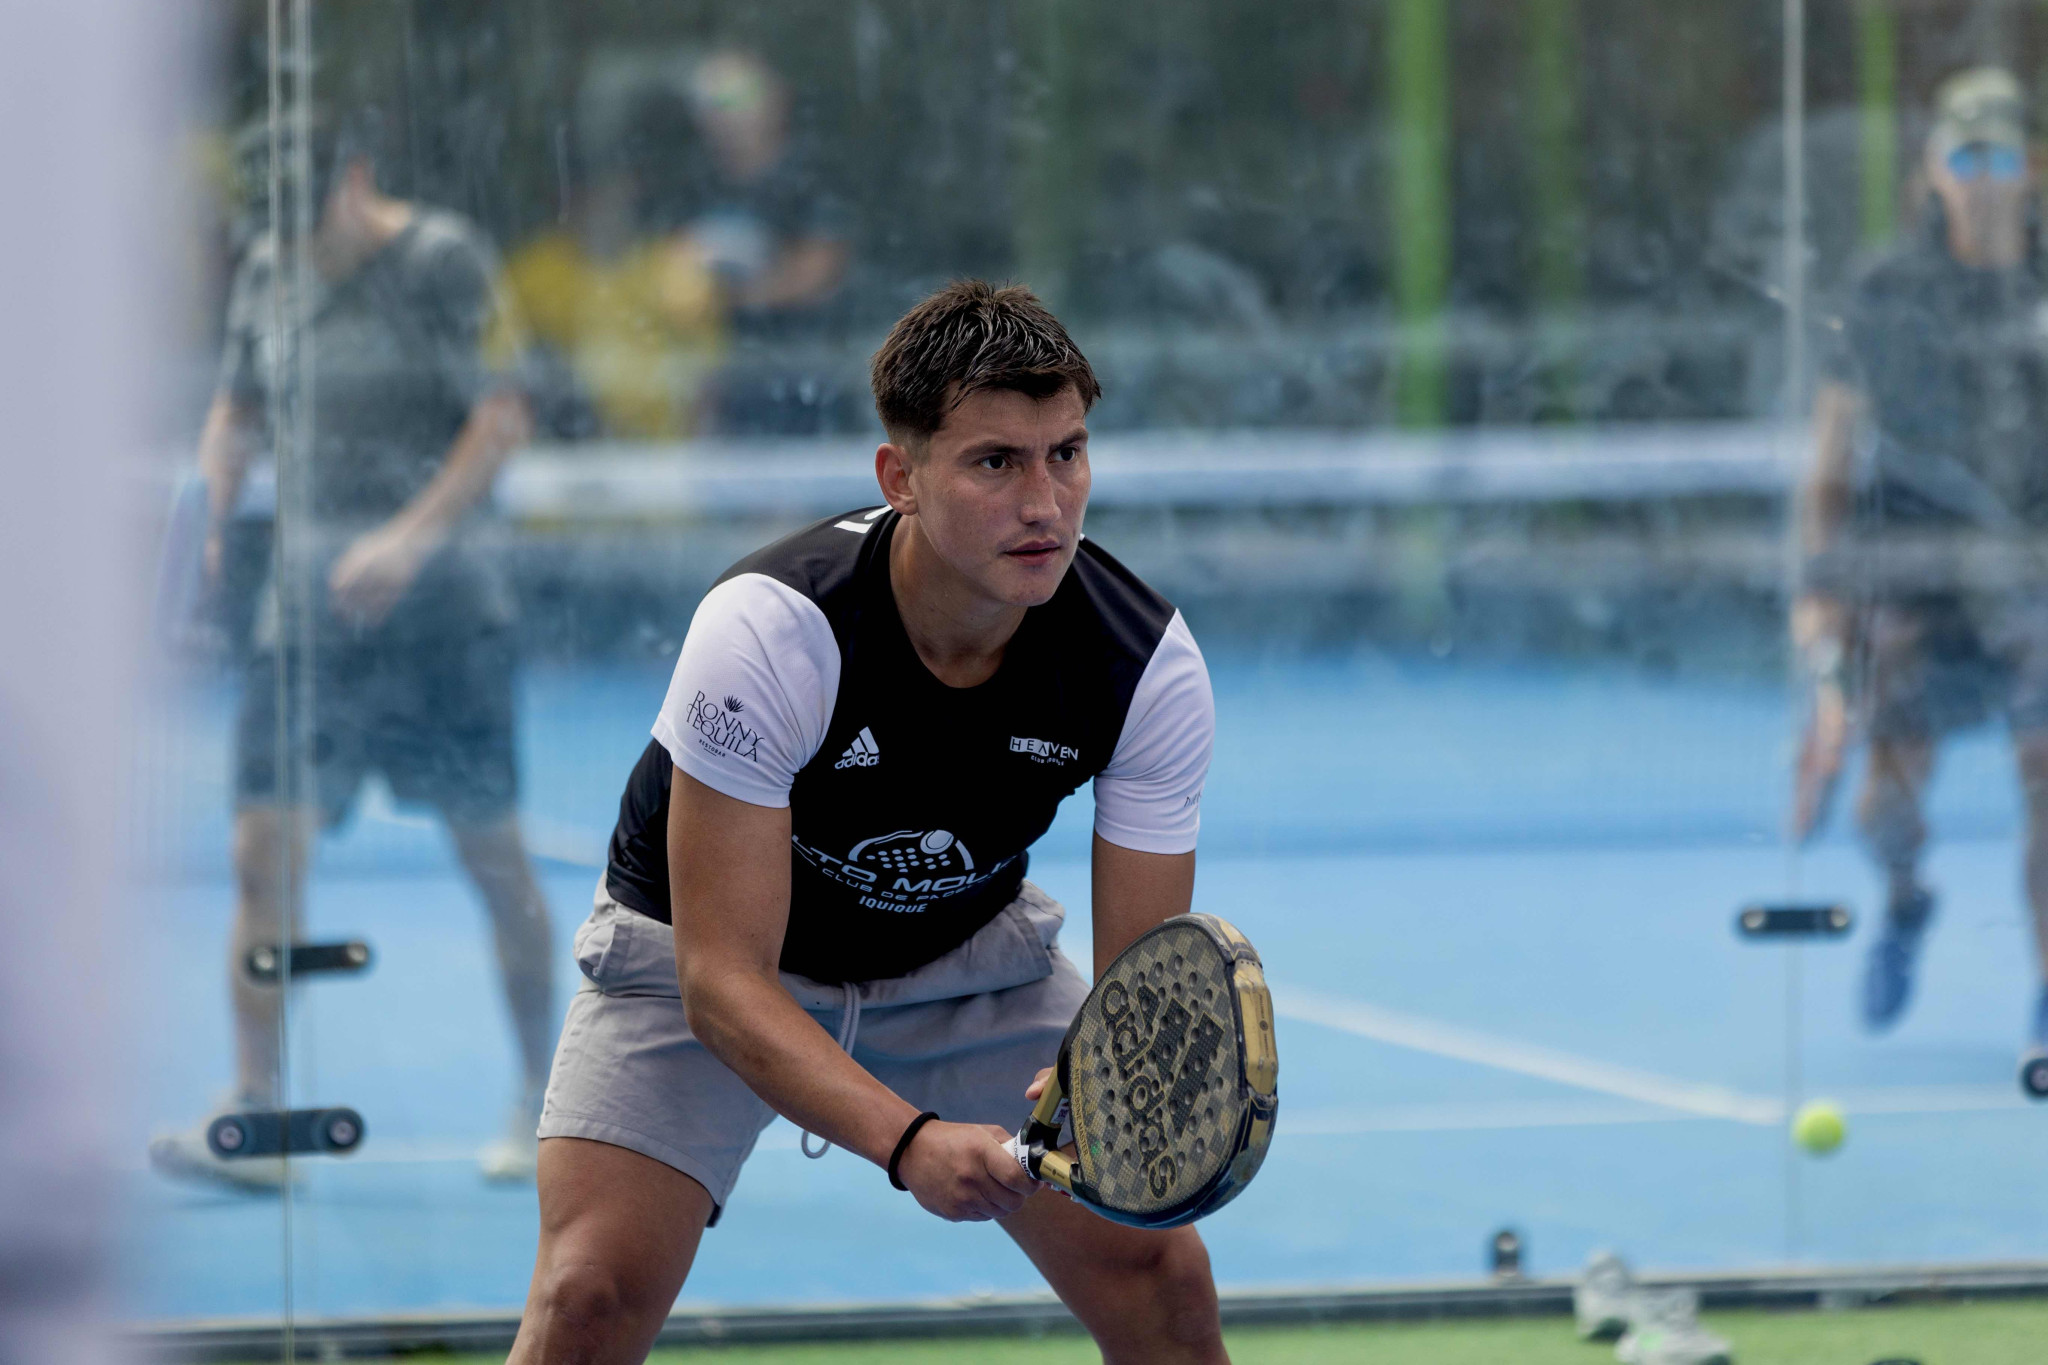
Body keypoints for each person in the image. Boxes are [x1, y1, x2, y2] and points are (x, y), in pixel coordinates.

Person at [508, 282, 1228, 1365]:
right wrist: (906, 1143)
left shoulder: (1144, 665)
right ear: (900, 478)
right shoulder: (771, 629)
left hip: (964, 962)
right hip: (700, 957)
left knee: (1161, 1281)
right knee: (585, 1300)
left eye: (1067, 454)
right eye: (996, 462)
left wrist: (1104, 1075)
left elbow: (1132, 994)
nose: (1045, 502)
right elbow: (723, 981)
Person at [148, 110, 556, 1189]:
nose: (291, 237)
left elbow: (502, 416)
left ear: (358, 176)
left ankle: (547, 1097)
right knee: (260, 850)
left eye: (307, 212)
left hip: (444, 618)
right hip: (306, 622)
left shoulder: (443, 259)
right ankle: (260, 1108)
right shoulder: (268, 269)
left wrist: (408, 540)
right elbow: (235, 409)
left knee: (493, 859)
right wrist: (206, 517)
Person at [1794, 67, 2048, 1068]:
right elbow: (1829, 464)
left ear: (2030, 171)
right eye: (1964, 158)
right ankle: (1905, 898)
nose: (1983, 180)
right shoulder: (1883, 294)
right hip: (1916, 578)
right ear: (1933, 172)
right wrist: (1821, 604)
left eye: (2001, 157)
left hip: (2031, 579)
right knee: (1883, 810)